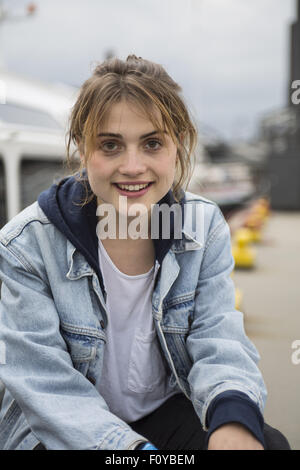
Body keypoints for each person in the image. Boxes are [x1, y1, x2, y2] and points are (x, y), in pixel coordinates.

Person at [0, 55, 290, 450]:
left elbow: (217, 336)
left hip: (161, 414)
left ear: (178, 146)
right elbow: (44, 383)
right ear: (83, 152)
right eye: (110, 145)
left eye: (152, 143)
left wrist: (233, 417)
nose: (133, 166)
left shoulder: (202, 229)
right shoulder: (25, 245)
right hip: (59, 428)